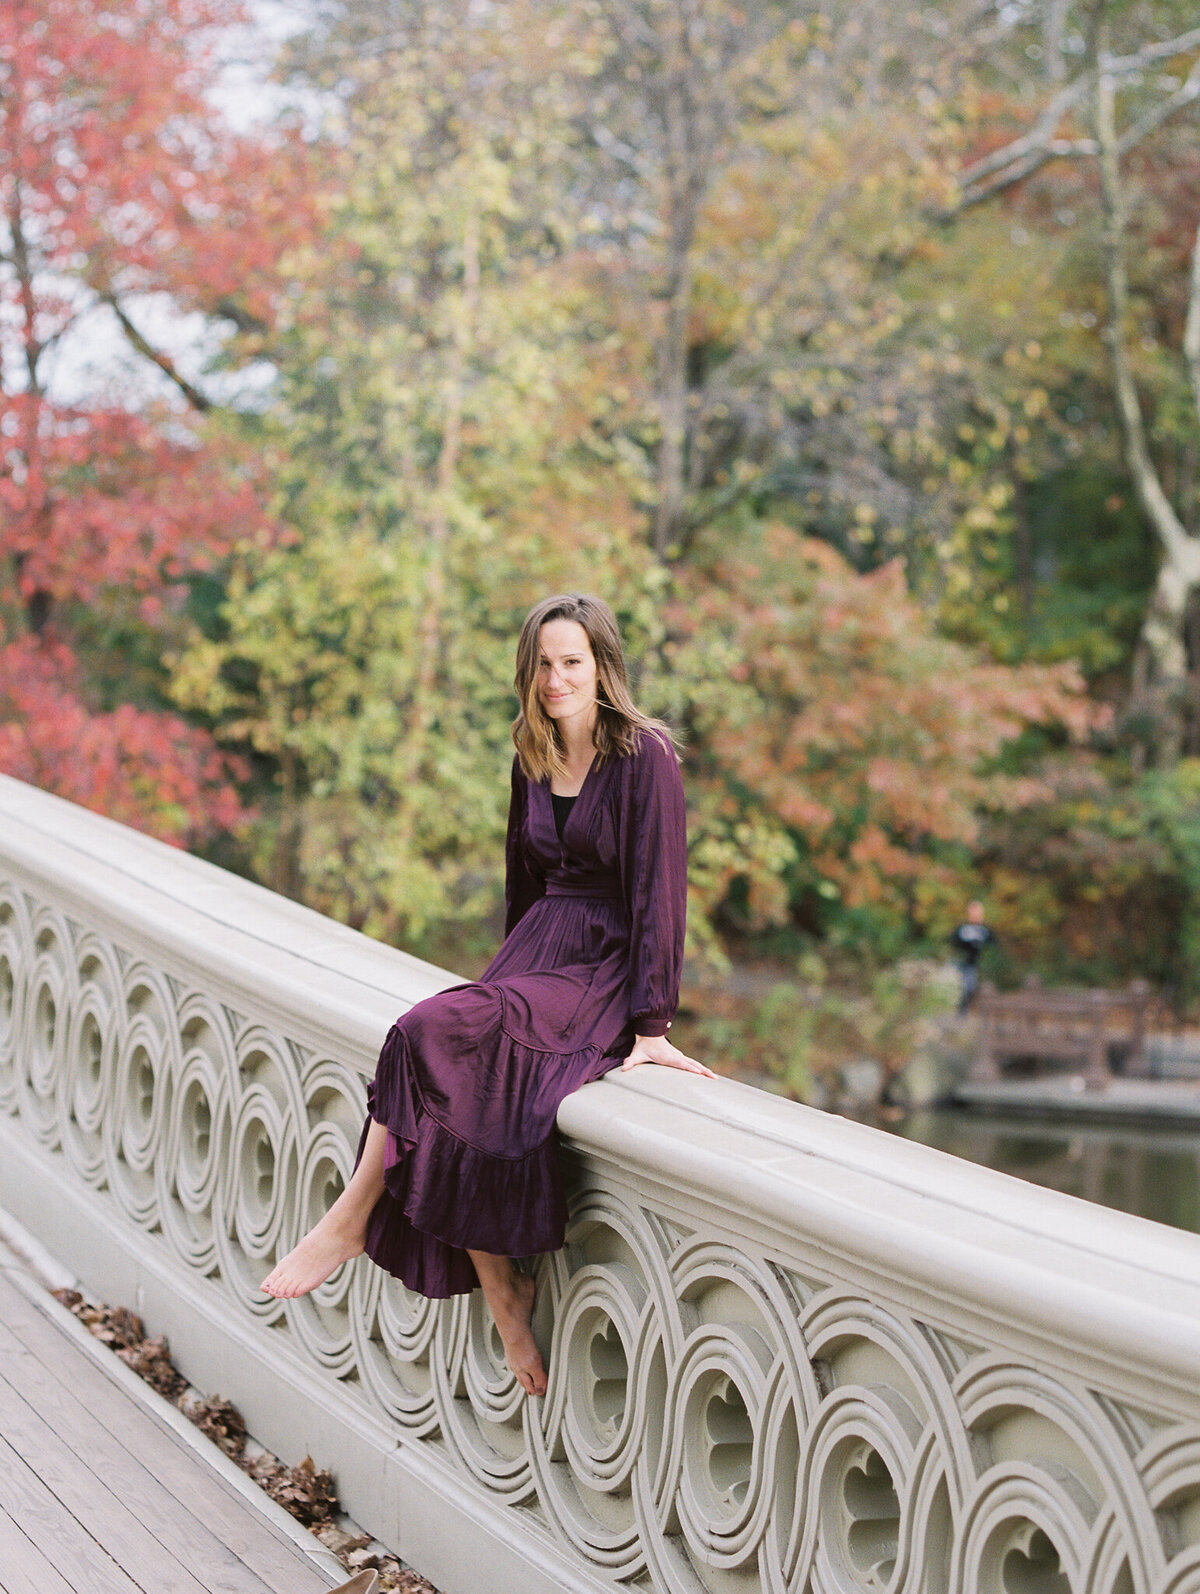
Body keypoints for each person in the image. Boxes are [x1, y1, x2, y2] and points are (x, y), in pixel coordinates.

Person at [261, 593, 713, 1396]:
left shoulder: (646, 758)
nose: (555, 678)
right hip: (538, 954)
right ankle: (502, 1291)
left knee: (424, 1033)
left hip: (603, 968)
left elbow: (660, 895)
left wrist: (651, 1023)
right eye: (542, 662)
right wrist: (503, 985)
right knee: (451, 1055)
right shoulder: (532, 755)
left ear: (603, 666)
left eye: (571, 661)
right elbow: (523, 883)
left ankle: (350, 1222)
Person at [950, 899, 996, 1013]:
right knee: (968, 988)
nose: (975, 914)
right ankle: (962, 1013)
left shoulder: (986, 930)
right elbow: (953, 943)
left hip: (983, 967)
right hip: (967, 965)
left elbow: (993, 946)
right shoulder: (963, 929)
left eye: (978, 911)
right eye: (973, 911)